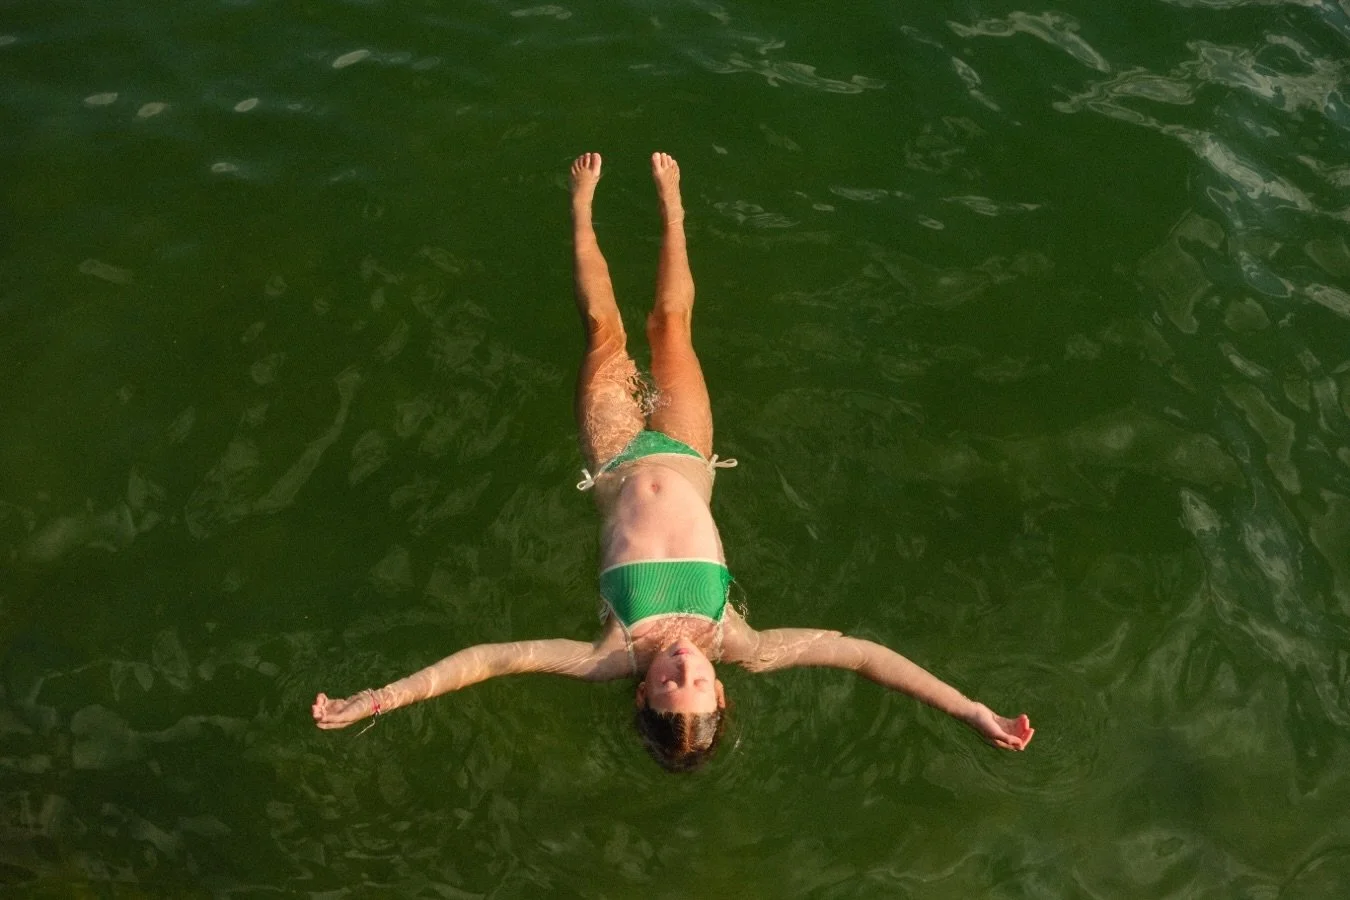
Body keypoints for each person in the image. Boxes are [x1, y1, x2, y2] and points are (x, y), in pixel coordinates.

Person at [312, 152, 1035, 771]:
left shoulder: (609, 652)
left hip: (616, 456)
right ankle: (673, 212)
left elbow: (488, 660)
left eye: (668, 682)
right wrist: (973, 710)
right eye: (695, 681)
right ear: (720, 691)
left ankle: (582, 211)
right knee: (670, 327)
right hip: (689, 452)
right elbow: (865, 655)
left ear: (642, 692)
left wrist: (381, 698)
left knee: (604, 332)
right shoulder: (740, 641)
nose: (683, 664)